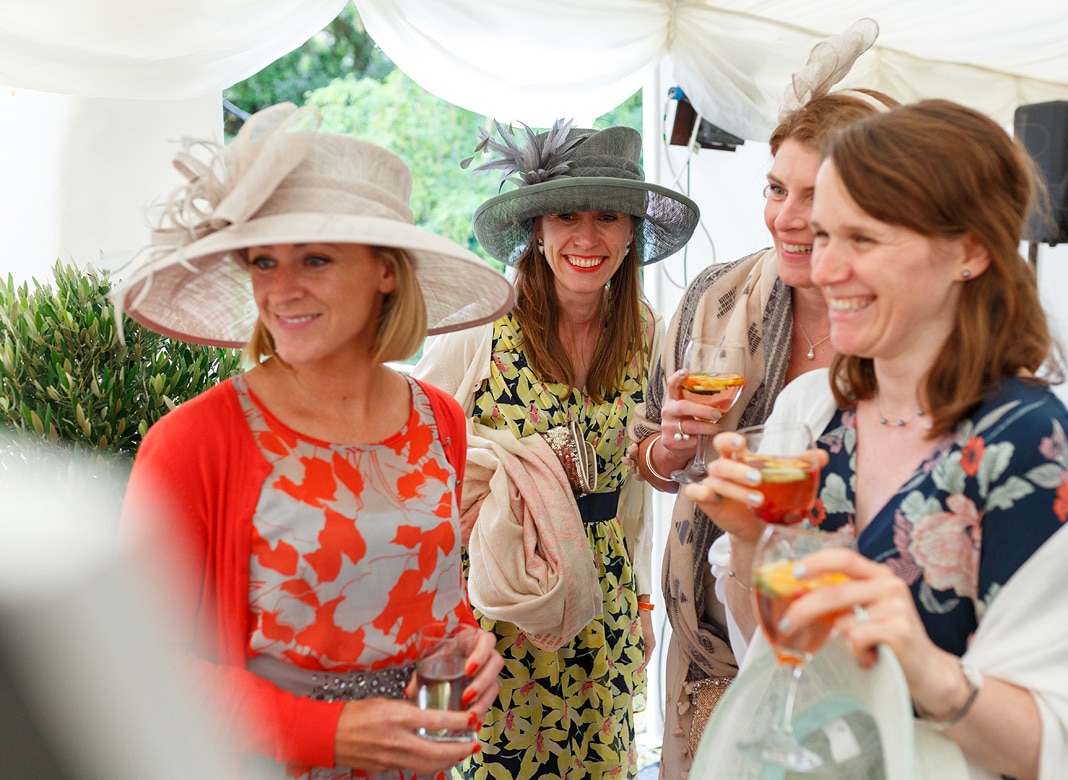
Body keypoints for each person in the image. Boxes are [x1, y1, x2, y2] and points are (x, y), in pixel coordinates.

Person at [691, 99, 1068, 779]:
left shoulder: (1033, 452)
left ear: (972, 251)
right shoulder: (811, 412)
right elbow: (771, 657)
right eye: (827, 236)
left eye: (864, 240)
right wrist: (751, 541)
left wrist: (927, 667)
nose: (828, 268)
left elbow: (1053, 751)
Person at [114, 103, 515, 780]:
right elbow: (131, 666)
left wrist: (472, 646)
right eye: (264, 262)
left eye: (316, 259)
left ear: (387, 270)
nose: (282, 290)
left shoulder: (438, 418)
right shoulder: (197, 442)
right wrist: (324, 731)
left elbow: (425, 596)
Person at [626, 19, 897, 777]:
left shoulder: (899, 326)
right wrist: (674, 447)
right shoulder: (713, 298)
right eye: (776, 188)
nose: (786, 216)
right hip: (707, 638)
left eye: (816, 195)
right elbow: (647, 453)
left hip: (844, 649)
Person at [413, 119, 699, 779]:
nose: (587, 238)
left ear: (633, 232)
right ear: (538, 230)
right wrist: (431, 622)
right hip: (486, 611)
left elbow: (633, 496)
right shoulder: (480, 328)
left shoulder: (650, 334)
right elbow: (413, 465)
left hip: (599, 604)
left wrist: (646, 604)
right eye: (567, 215)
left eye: (608, 217)